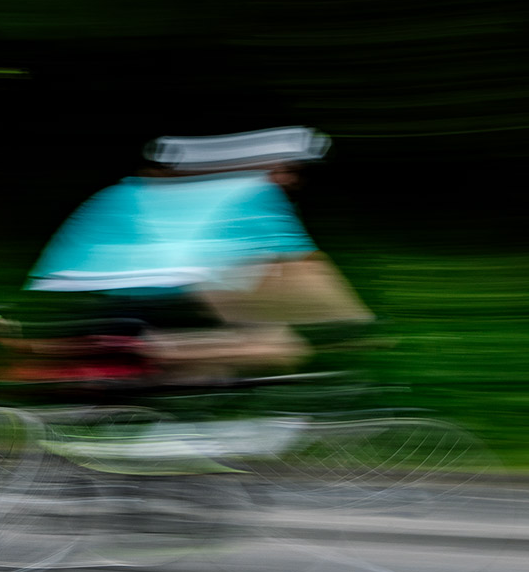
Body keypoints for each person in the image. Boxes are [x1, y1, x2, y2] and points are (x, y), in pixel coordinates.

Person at [23, 126, 372, 384]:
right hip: (153, 301)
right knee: (279, 347)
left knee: (231, 349)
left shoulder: (138, 192)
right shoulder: (250, 193)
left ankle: (164, 409)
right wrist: (357, 322)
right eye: (288, 169)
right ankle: (145, 352)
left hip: (100, 297)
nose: (291, 179)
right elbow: (305, 267)